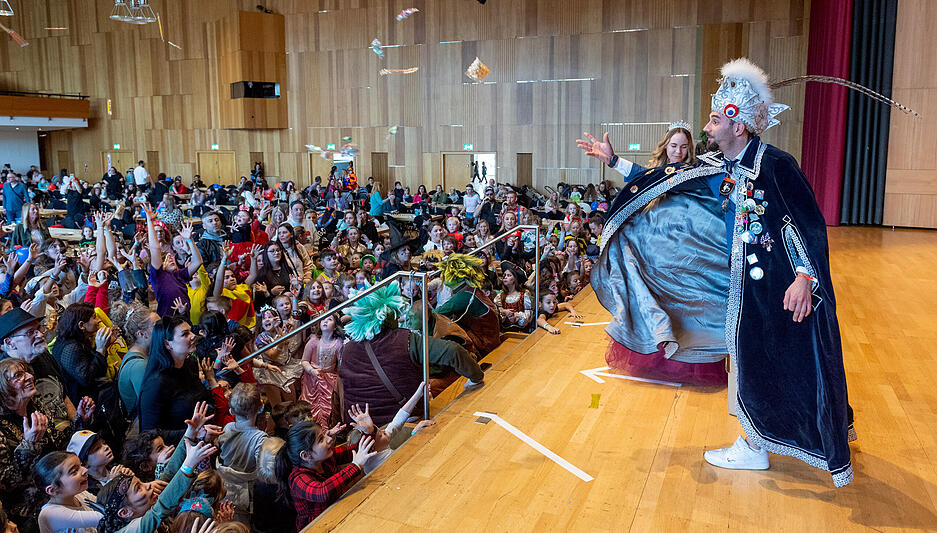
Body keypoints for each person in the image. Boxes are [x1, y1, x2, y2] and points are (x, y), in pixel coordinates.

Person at [583, 58, 855, 486]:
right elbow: (666, 178)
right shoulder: (719, 167)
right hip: (738, 286)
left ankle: (769, 442)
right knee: (752, 359)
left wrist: (804, 276)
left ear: (738, 125)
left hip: (780, 290)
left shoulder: (775, 165)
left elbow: (806, 224)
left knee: (787, 361)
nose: (706, 129)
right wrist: (614, 160)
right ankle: (755, 441)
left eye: (713, 121)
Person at [339, 284, 485, 427]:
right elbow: (453, 351)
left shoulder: (346, 350)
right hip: (404, 423)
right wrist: (476, 378)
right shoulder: (404, 340)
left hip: (361, 430)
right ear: (388, 316)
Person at [0, 357, 94, 533]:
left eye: (27, 371)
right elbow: (5, 482)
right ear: (4, 389)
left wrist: (81, 420)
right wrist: (29, 445)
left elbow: (58, 450)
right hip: (29, 512)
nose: (29, 377)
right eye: (19, 375)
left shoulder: (37, 407)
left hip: (60, 493)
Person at [274, 420, 377, 529]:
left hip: (340, 512)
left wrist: (369, 431)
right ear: (305, 455)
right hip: (319, 526)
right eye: (321, 439)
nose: (329, 439)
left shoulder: (325, 458)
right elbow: (322, 492)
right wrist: (355, 465)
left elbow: (356, 451)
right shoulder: (297, 478)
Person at [138, 316, 210, 438]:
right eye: (185, 334)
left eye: (191, 331)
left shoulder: (189, 364)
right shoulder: (156, 384)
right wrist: (194, 433)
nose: (193, 336)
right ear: (167, 344)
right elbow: (149, 434)